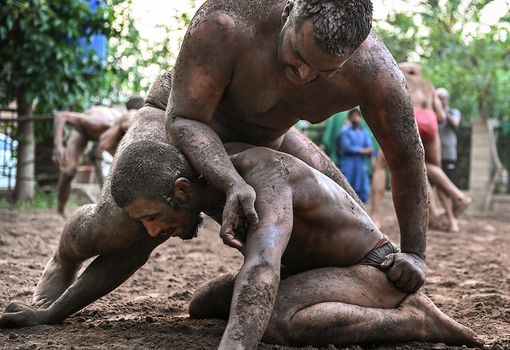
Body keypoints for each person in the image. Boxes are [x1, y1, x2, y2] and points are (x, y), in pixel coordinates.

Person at [0, 105, 484, 349]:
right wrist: (52, 312)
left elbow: (263, 265)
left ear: (184, 190)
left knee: (270, 319)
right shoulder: (199, 189)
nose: (152, 231)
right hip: (316, 271)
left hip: (371, 270)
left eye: (154, 218)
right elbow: (125, 256)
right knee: (203, 304)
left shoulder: (261, 173)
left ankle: (413, 319)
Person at [164, 0, 430, 308]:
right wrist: (229, 180)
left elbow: (407, 158)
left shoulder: (375, 71)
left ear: (352, 55)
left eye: (322, 71)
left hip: (277, 138)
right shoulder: (226, 22)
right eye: (298, 57)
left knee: (364, 244)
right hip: (186, 126)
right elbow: (183, 119)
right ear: (288, 13)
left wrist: (415, 254)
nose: (303, 75)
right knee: (125, 214)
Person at [369, 63, 471, 232]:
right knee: (431, 168)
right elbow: (441, 116)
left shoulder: (397, 80)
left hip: (410, 120)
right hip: (430, 125)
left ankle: (376, 218)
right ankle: (455, 210)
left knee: (381, 166)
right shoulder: (428, 85)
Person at [52, 97, 145, 216]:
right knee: (69, 171)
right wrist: (58, 146)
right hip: (84, 131)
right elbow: (61, 116)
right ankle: (60, 209)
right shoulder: (98, 121)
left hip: (107, 133)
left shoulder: (125, 124)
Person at [339, 108, 374, 203]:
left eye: (357, 116)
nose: (355, 118)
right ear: (350, 118)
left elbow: (370, 148)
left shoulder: (364, 132)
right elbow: (347, 147)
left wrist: (369, 154)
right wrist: (362, 150)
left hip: (361, 164)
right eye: (353, 116)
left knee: (362, 187)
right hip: (349, 163)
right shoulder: (345, 131)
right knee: (348, 185)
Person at [437, 88, 461, 186]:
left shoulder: (453, 112)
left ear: (448, 99)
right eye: (438, 98)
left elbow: (455, 122)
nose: (441, 101)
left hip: (448, 155)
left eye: (443, 98)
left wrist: (442, 113)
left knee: (449, 185)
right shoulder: (430, 114)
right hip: (433, 155)